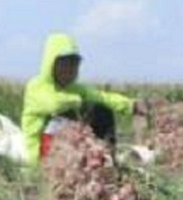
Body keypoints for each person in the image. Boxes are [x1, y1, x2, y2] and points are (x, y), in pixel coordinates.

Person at [20, 32, 143, 164]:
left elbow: (103, 97)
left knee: (102, 110)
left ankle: (108, 160)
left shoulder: (77, 89)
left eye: (74, 65)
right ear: (51, 65)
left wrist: (131, 106)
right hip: (40, 154)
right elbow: (53, 104)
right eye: (64, 64)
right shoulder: (36, 86)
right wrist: (80, 102)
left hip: (68, 148)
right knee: (68, 113)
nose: (69, 70)